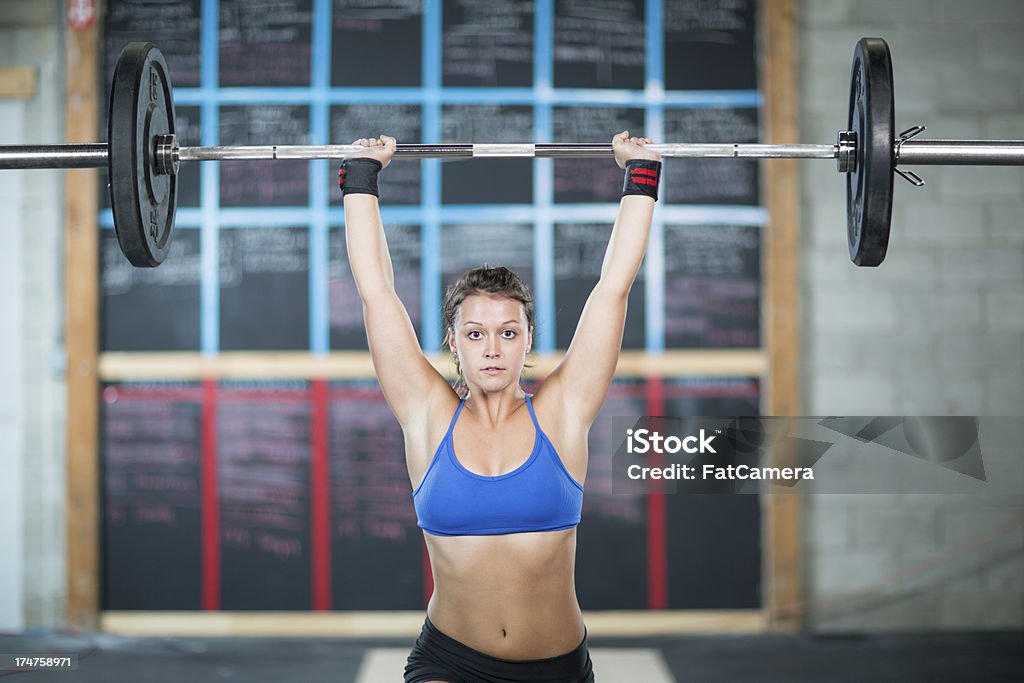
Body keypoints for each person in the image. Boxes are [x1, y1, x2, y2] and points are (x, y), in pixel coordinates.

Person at [340, 131, 661, 683]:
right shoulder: (426, 414)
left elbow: (613, 287)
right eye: (476, 333)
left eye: (508, 332)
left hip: (555, 668)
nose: (492, 348)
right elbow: (377, 292)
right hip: (449, 661)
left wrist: (641, 176)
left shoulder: (562, 412)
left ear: (528, 339)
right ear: (453, 341)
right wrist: (361, 177)